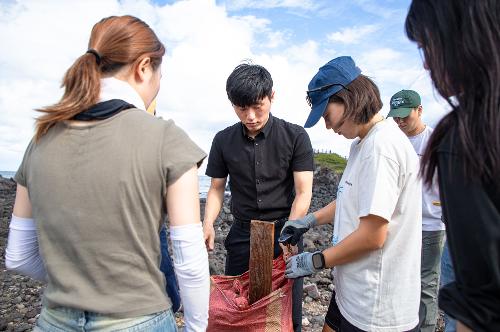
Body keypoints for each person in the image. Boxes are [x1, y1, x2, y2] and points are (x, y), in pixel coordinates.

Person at [5, 15, 209, 331]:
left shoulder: (41, 140)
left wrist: (77, 281)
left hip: (54, 321)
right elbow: (190, 263)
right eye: (159, 74)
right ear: (144, 66)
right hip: (138, 320)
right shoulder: (166, 138)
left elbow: (18, 256)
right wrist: (196, 327)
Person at [281, 56, 421, 332]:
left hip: (376, 308)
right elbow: (351, 197)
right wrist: (309, 220)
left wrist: (315, 260)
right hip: (352, 288)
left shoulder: (382, 148)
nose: (328, 126)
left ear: (347, 99)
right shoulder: (363, 143)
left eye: (326, 115)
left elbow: (373, 236)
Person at [405, 1, 500, 331]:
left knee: (432, 290)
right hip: (430, 230)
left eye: (429, 45)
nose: (428, 63)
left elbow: (481, 306)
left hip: (434, 229)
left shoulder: (467, 138)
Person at [203, 62, 314, 331]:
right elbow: (217, 188)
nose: (251, 115)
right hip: (242, 235)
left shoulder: (295, 136)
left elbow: (303, 191)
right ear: (233, 105)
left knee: (287, 314)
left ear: (271, 97)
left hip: (284, 232)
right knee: (236, 310)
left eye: (258, 106)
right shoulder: (223, 140)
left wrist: (291, 231)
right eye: (242, 109)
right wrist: (207, 224)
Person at [387, 89, 445, 332]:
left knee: (426, 286)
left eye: (405, 117)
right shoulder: (391, 140)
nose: (400, 122)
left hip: (429, 225)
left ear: (419, 110)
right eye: (396, 117)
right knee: (396, 280)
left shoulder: (435, 142)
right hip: (398, 224)